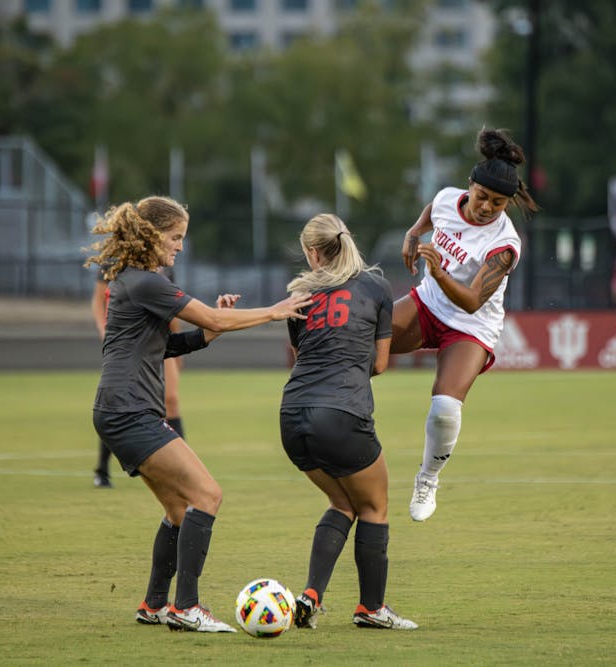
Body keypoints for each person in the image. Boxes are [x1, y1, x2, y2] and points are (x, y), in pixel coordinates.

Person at [85, 195, 311, 633]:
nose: (180, 247)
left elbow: (166, 345)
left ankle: (154, 604)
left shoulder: (136, 280)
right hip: (130, 411)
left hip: (119, 410)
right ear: (151, 235)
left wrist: (207, 334)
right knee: (207, 496)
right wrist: (274, 312)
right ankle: (186, 607)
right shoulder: (147, 282)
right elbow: (213, 317)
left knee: (177, 509)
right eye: (175, 237)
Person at [391, 127, 539, 522]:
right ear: (469, 186)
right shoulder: (445, 199)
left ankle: (428, 477)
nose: (487, 207)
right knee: (364, 335)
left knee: (443, 407)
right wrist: (411, 233)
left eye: (498, 203)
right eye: (482, 196)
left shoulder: (505, 245)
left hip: (470, 328)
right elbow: (431, 213)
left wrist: (438, 272)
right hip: (428, 304)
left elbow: (473, 302)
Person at [280, 213, 417, 631]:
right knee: (374, 505)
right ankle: (371, 609)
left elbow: (304, 356)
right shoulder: (375, 285)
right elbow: (379, 363)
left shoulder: (301, 292)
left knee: (342, 503)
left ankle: (311, 596)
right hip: (342, 414)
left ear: (312, 252)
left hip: (291, 415)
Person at [90, 268, 188, 488]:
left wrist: (180, 347)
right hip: (131, 345)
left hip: (160, 339)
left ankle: (182, 469)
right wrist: (104, 330)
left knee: (171, 400)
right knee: (119, 404)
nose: (177, 245)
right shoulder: (114, 260)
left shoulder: (166, 263)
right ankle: (102, 469)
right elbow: (98, 300)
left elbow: (172, 309)